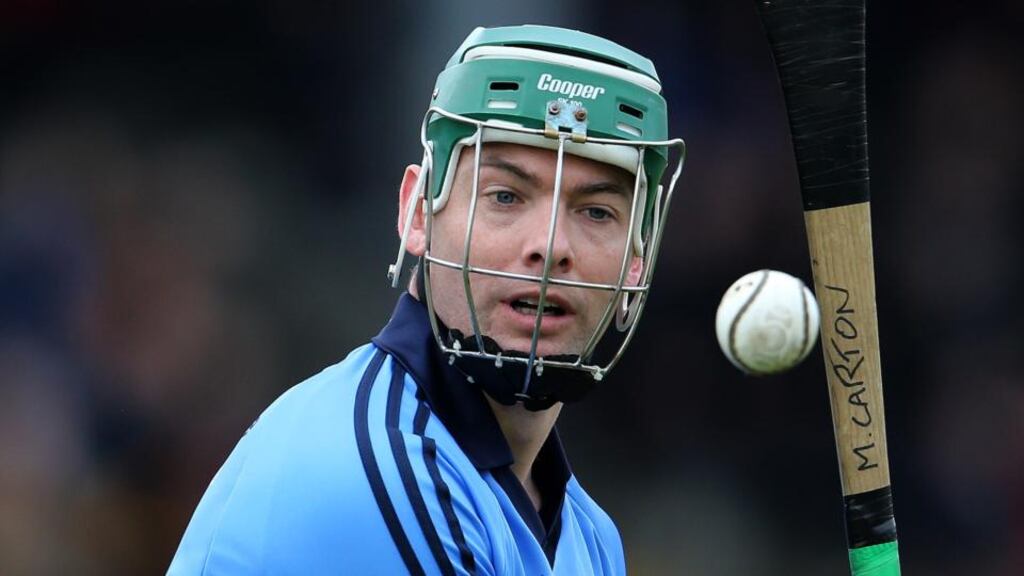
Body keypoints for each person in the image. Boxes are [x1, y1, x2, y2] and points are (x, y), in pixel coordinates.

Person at [168, 24, 683, 575]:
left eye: (597, 212)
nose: (552, 245)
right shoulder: (378, 470)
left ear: (636, 260)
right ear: (417, 212)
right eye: (505, 196)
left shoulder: (590, 536)